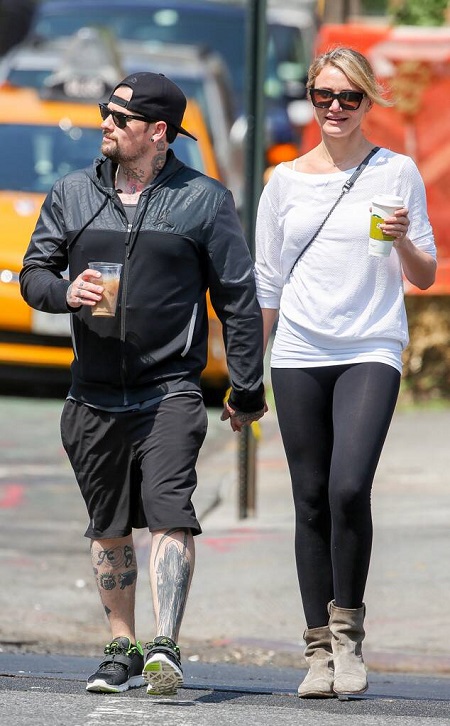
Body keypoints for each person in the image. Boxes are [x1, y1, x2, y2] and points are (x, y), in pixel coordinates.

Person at [20, 71, 265, 695]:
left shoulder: (204, 201)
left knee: (169, 511)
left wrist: (245, 387)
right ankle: (121, 645)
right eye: (106, 111)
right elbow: (33, 273)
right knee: (108, 523)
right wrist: (62, 292)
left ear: (158, 133)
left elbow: (237, 298)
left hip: (169, 389)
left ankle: (166, 646)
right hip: (92, 390)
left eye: (120, 117)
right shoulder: (73, 194)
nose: (106, 122)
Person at [254, 47, 436, 699]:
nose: (335, 108)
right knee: (307, 499)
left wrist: (406, 239)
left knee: (348, 488)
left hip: (370, 346)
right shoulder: (284, 181)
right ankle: (318, 651)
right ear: (310, 97)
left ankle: (350, 634)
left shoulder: (397, 173)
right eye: (324, 95)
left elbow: (425, 275)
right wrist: (251, 369)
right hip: (299, 351)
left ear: (368, 102)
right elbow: (267, 280)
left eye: (349, 98)